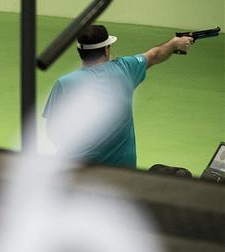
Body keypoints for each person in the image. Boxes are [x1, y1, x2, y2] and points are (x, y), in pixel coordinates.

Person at [42, 24, 193, 168]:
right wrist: (174, 43)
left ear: (80, 51)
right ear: (106, 50)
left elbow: (52, 130)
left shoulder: (64, 83)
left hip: (75, 171)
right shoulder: (125, 69)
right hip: (121, 174)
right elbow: (155, 55)